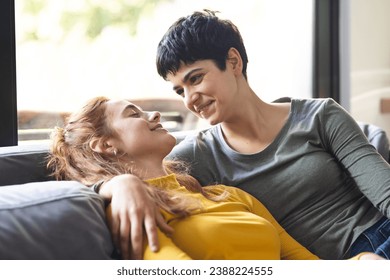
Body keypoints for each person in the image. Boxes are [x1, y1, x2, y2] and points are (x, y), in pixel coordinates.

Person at [98, 10, 390, 260]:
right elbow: (115, 170)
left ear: (234, 62)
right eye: (179, 90)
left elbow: (385, 192)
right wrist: (118, 185)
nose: (189, 100)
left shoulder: (320, 115)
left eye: (195, 78)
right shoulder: (195, 156)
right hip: (340, 263)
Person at [47, 96, 384, 260]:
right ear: (105, 145)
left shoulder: (224, 195)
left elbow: (306, 264)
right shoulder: (133, 208)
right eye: (133, 114)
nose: (155, 113)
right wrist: (116, 184)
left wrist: (360, 263)